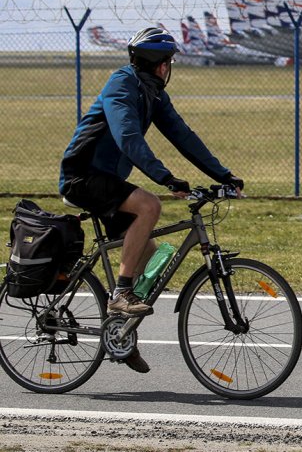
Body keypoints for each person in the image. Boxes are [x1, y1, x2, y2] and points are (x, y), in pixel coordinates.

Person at [58, 27, 243, 373]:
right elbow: (128, 136)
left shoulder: (152, 93)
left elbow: (182, 134)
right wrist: (165, 178)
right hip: (82, 177)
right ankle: (120, 296)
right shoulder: (121, 85)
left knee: (150, 250)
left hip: (107, 180)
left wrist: (223, 175)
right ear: (159, 64)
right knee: (149, 206)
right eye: (168, 61)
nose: (169, 68)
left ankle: (121, 333)